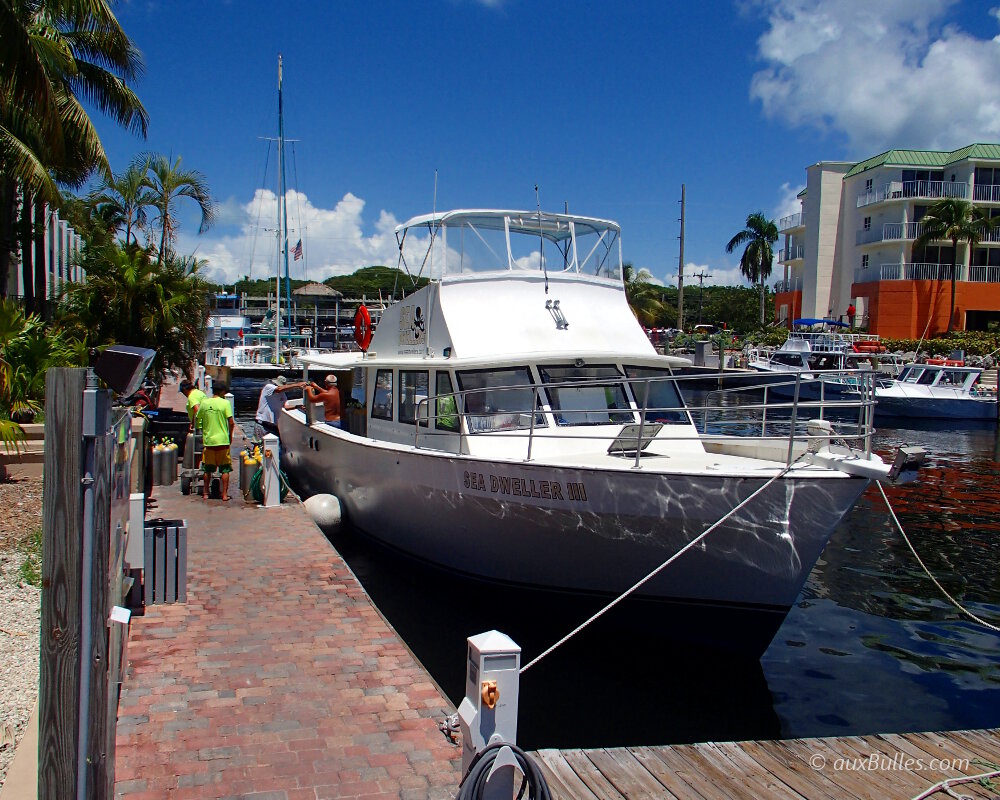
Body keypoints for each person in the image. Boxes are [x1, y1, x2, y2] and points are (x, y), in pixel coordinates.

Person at [195, 384, 235, 501]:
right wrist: (230, 436)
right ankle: (224, 495)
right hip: (223, 441)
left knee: (207, 469)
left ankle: (206, 493)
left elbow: (199, 417)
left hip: (209, 441)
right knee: (225, 469)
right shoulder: (225, 403)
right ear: (222, 392)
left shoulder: (205, 403)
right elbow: (231, 422)